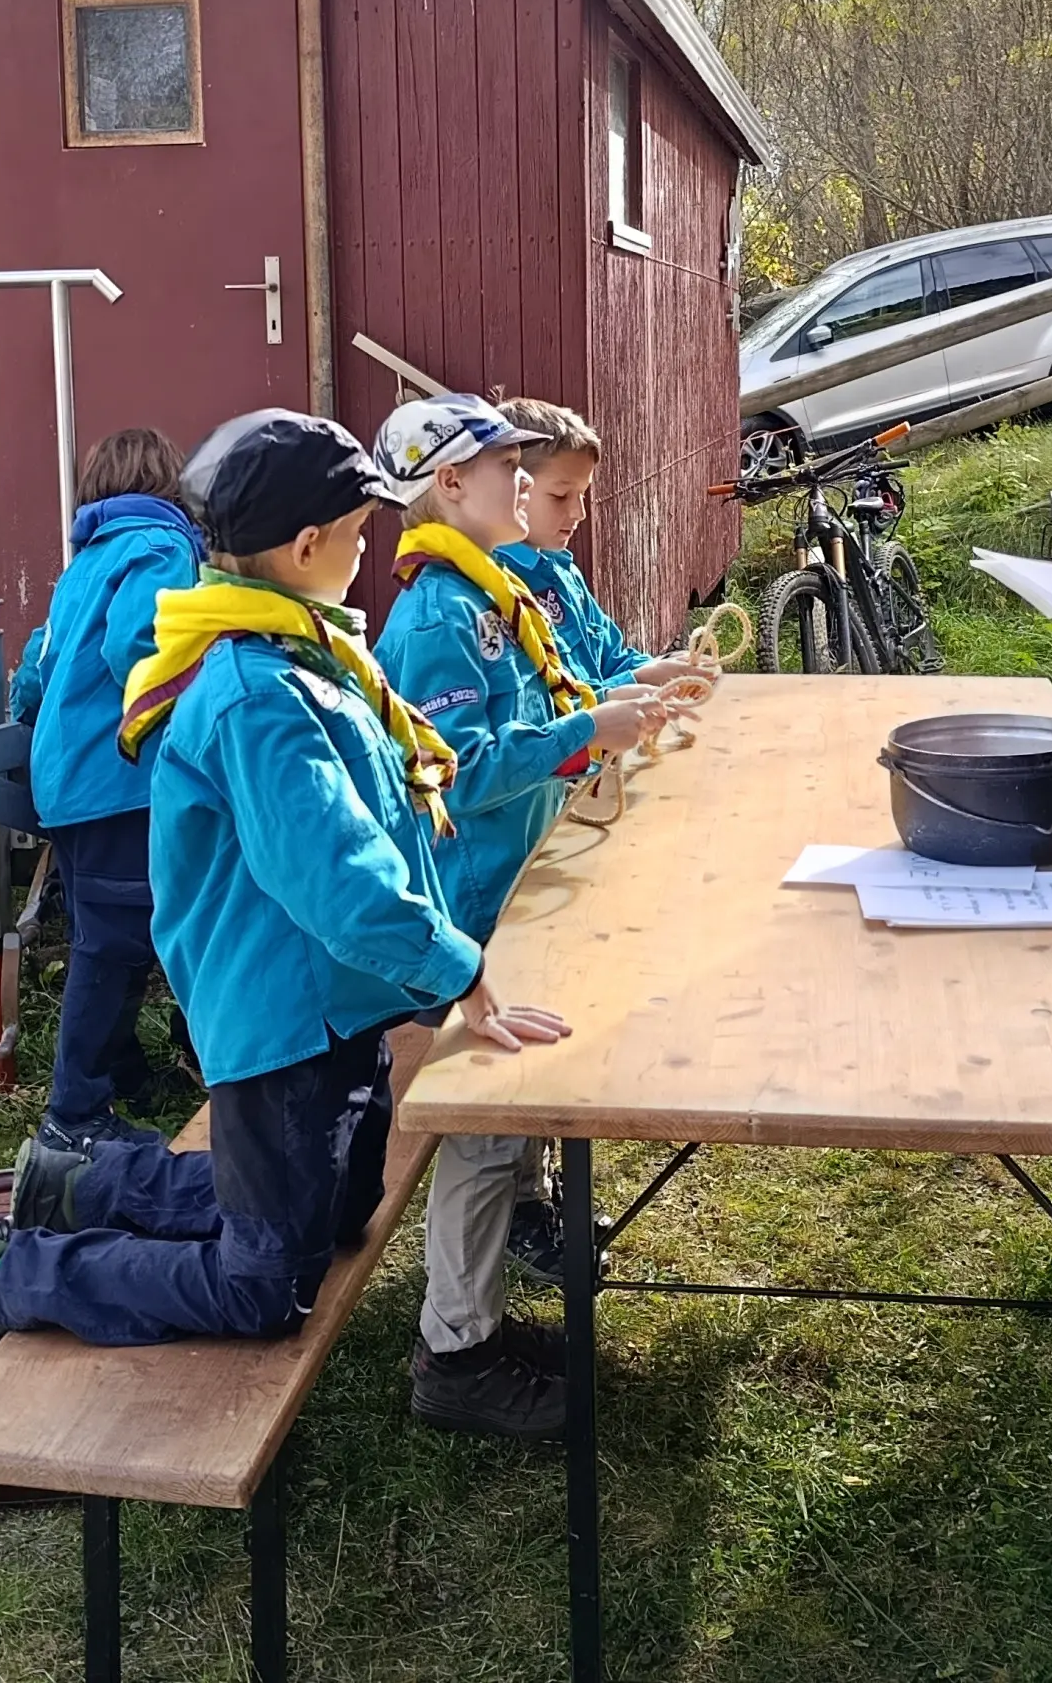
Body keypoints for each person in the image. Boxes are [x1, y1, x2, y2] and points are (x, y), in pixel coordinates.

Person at [0, 409, 566, 1415]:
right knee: (267, 1283)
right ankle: (5, 1273)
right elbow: (338, 876)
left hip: (335, 1006)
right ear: (305, 548)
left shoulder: (310, 649)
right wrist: (456, 971)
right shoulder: (261, 692)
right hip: (280, 1021)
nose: (369, 542)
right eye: (358, 528)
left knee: (335, 1212)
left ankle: (82, 1186)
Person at [373, 395, 662, 1440]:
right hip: (471, 904)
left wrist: (592, 716)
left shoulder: (490, 596)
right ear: (452, 487)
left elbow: (534, 711)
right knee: (482, 1133)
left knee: (512, 1114)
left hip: (516, 892)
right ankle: (456, 1351)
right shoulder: (437, 618)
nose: (523, 487)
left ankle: (481, 1313)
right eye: (506, 471)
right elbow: (456, 770)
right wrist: (585, 731)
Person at [8, 427, 205, 1153]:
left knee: (113, 930)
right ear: (170, 486)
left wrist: (26, 709)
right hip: (119, 778)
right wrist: (204, 705)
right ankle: (75, 1109)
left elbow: (39, 662)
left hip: (65, 781)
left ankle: (124, 1070)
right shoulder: (162, 547)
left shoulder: (85, 562)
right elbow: (142, 648)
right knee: (116, 940)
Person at [493, 399, 700, 696]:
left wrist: (664, 668)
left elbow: (610, 660)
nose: (579, 513)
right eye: (560, 495)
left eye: (583, 495)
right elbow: (540, 714)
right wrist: (636, 682)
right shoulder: (493, 591)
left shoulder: (563, 572)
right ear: (513, 486)